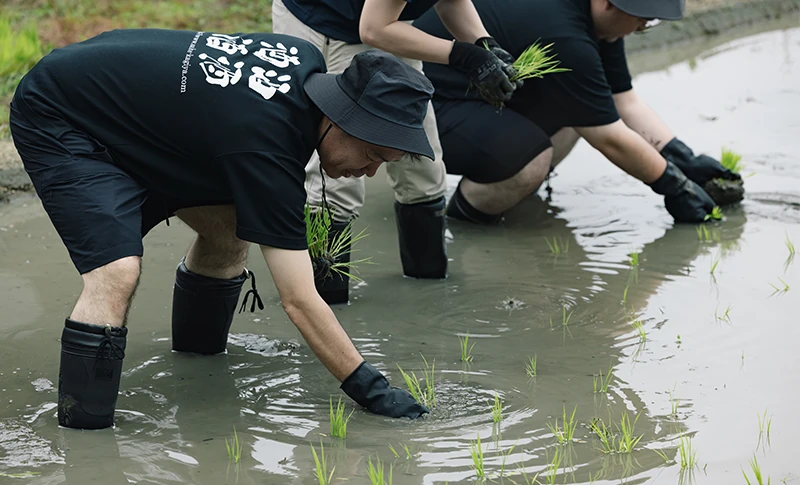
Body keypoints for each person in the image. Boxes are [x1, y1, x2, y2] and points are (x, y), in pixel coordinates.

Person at [9, 28, 433, 430]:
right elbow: (300, 300)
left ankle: (196, 363)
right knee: (115, 272)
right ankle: (86, 440)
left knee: (230, 232)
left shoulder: (304, 62)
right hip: (63, 113)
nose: (372, 172)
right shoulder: (265, 145)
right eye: (373, 154)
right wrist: (373, 392)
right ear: (342, 120)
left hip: (142, 114)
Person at [272, 0, 521, 303]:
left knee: (422, 165)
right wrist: (465, 56)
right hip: (330, 24)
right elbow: (373, 29)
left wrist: (483, 43)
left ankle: (430, 296)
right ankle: (323, 308)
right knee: (337, 182)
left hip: (389, 24)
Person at [413, 0, 745, 225]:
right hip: (426, 108)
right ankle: (468, 214)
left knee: (578, 112)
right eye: (641, 20)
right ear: (607, 3)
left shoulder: (600, 25)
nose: (641, 27)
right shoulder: (565, 33)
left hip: (478, 97)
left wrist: (681, 156)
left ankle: (508, 187)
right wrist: (673, 185)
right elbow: (609, 137)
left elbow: (622, 100)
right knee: (532, 157)